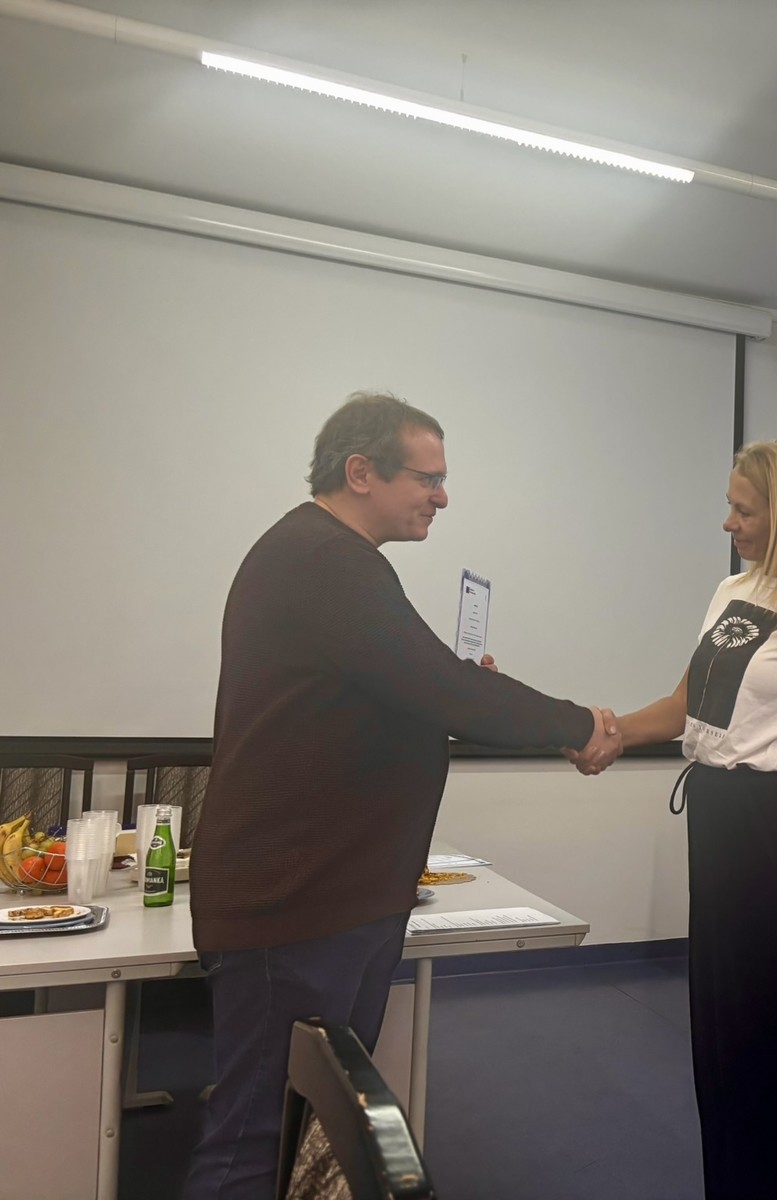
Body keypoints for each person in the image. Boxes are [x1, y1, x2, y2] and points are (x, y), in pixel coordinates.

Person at [183, 392, 620, 1199]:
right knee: (256, 1137)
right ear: (361, 472)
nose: (442, 497)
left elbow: (409, 695)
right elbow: (440, 688)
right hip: (296, 907)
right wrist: (578, 724)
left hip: (327, 899)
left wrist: (467, 700)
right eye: (428, 478)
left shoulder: (325, 559)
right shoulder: (326, 561)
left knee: (310, 1131)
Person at [573, 440, 777, 1200]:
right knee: (720, 1031)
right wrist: (603, 731)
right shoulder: (731, 592)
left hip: (776, 829)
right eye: (730, 505)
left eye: (744, 510)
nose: (728, 522)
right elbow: (685, 706)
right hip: (717, 818)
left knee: (773, 1035)